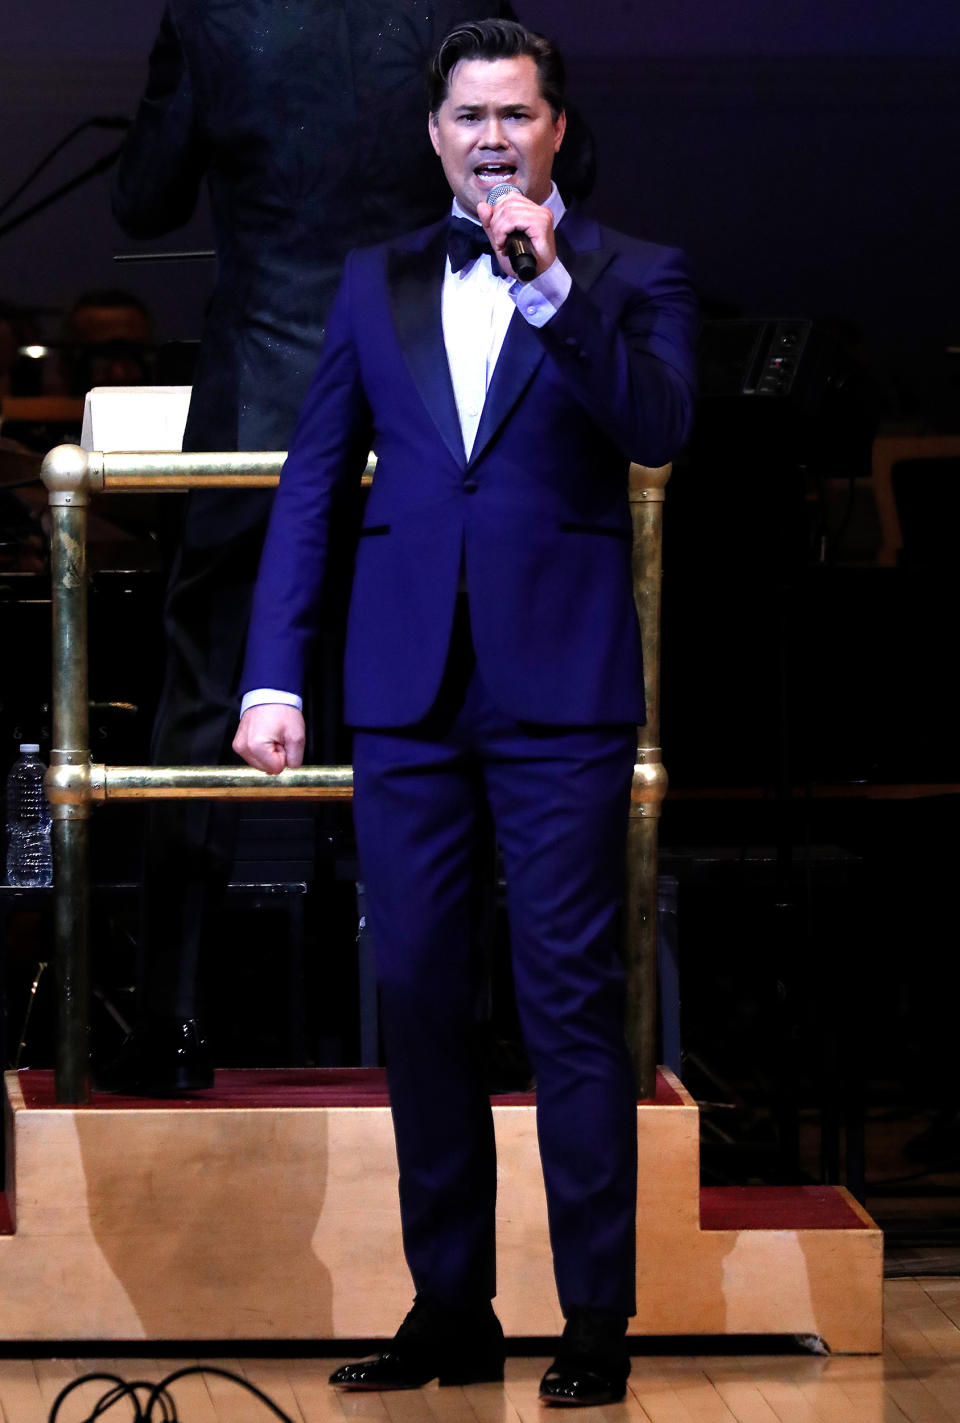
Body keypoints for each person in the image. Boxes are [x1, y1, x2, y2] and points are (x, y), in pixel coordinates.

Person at [234, 17, 697, 1407]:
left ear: (557, 127)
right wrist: (272, 672)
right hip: (405, 688)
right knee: (422, 991)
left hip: (558, 687)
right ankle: (451, 1305)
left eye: (516, 113)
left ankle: (597, 1314)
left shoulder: (635, 272)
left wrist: (556, 292)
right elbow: (316, 481)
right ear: (433, 133)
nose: (491, 137)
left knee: (567, 1005)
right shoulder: (373, 282)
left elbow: (659, 423)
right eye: (467, 116)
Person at [107, 0, 532, 1093]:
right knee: (438, 688)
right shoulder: (459, 10)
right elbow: (530, 166)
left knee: (209, 696)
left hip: (266, 394)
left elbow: (143, 198)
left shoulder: (214, 16)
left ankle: (170, 1019)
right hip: (419, 393)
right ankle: (465, 1023)